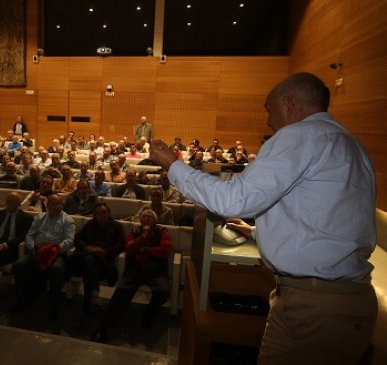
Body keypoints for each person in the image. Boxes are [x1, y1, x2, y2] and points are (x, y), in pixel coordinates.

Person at [149, 72, 377, 364]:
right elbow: (323, 222)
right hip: (343, 302)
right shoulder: (352, 145)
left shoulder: (300, 135)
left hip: (315, 306)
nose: (269, 122)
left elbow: (234, 200)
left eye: (269, 111)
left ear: (290, 104)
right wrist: (256, 232)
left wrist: (172, 165)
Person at [92, 210, 171, 342]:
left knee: (163, 291)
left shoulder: (163, 231)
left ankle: (149, 312)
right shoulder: (134, 231)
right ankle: (106, 326)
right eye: (143, 217)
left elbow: (165, 251)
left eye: (149, 218)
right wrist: (143, 236)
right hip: (134, 270)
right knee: (120, 294)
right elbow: (129, 249)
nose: (146, 219)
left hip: (155, 271)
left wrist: (145, 249)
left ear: (155, 221)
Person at [11, 194, 76, 320]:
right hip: (38, 251)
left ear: (62, 204)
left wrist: (54, 250)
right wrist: (33, 248)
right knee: (19, 265)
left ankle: (54, 306)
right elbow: (29, 235)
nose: (56, 206)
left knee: (56, 270)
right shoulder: (40, 217)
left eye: (58, 204)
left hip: (56, 254)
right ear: (47, 205)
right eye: (52, 204)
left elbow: (69, 241)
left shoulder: (67, 220)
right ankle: (22, 300)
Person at [70, 203, 125, 316]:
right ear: (94, 215)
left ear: (109, 213)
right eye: (98, 213)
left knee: (89, 264)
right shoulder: (91, 224)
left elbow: (121, 245)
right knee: (89, 262)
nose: (101, 215)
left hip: (105, 263)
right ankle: (94, 297)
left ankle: (87, 307)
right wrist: (86, 247)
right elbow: (78, 238)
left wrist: (105, 251)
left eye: (104, 212)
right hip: (90, 263)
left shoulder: (116, 226)